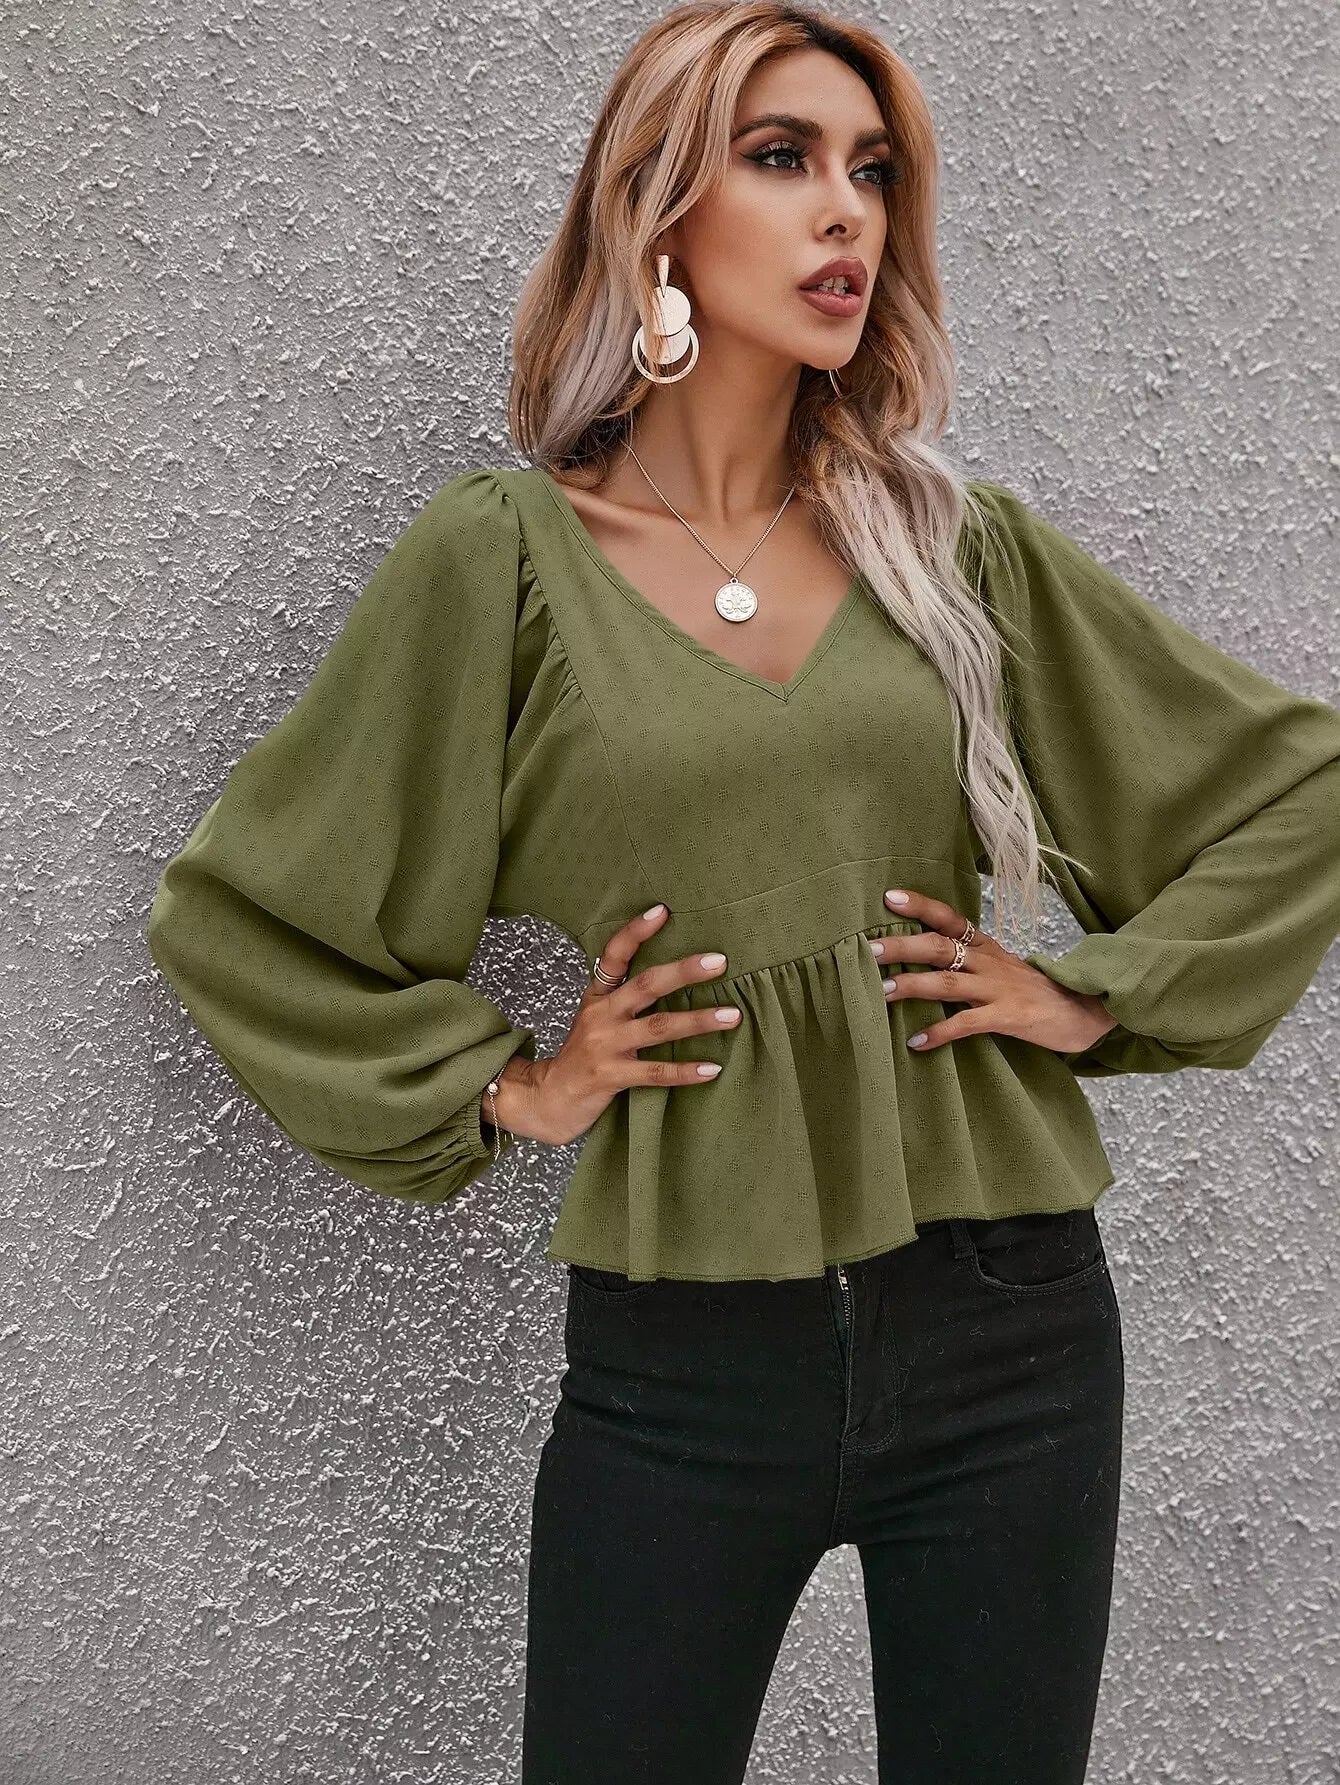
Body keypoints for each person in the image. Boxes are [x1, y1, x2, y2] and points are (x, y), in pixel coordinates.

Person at [144, 4, 1340, 1780]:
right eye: (783, 159)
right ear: (660, 212)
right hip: (685, 1360)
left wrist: (1096, 995)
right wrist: (510, 1084)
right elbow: (242, 915)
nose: (846, 210)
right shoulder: (506, 562)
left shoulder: (950, 549)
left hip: (1010, 1330)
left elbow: (1296, 788)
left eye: (873, 171)